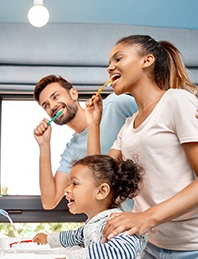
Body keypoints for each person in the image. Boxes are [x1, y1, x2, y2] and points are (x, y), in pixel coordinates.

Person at [86, 35, 198, 259]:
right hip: (152, 251)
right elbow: (99, 181)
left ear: (147, 61)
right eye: (109, 62)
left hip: (193, 249)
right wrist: (93, 124)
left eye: (118, 58)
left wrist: (146, 217)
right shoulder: (129, 125)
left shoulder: (176, 101)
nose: (109, 67)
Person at [33, 154, 147, 259]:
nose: (66, 189)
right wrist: (48, 239)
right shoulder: (94, 224)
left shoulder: (117, 223)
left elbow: (121, 251)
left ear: (101, 191)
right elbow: (73, 236)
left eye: (74, 184)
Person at [33, 75, 138, 210]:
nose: (52, 106)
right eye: (46, 105)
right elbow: (49, 201)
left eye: (55, 97)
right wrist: (44, 145)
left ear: (73, 93)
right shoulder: (72, 151)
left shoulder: (117, 105)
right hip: (133, 222)